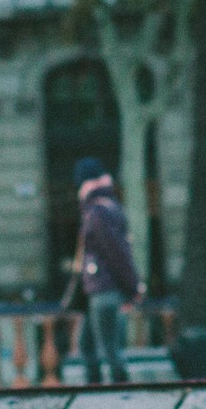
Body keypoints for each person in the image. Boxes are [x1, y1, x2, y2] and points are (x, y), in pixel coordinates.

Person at [71, 157, 142, 385]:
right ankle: (103, 393)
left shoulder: (98, 212)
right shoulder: (105, 207)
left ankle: (117, 394)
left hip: (104, 291)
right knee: (91, 345)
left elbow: (116, 252)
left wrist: (133, 286)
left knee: (105, 348)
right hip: (102, 290)